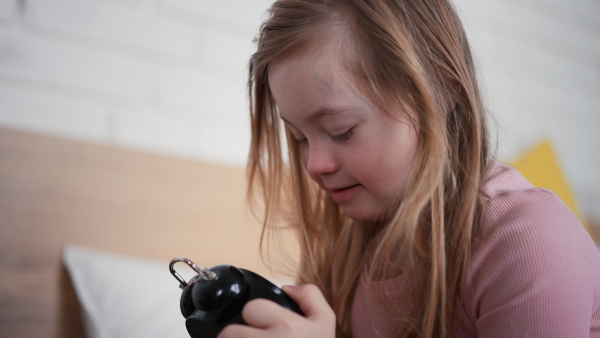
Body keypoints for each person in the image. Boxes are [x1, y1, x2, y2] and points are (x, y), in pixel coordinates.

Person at [219, 0, 600, 337]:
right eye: (299, 137)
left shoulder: (528, 242)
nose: (313, 164)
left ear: (440, 91)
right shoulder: (350, 256)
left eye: (342, 130)